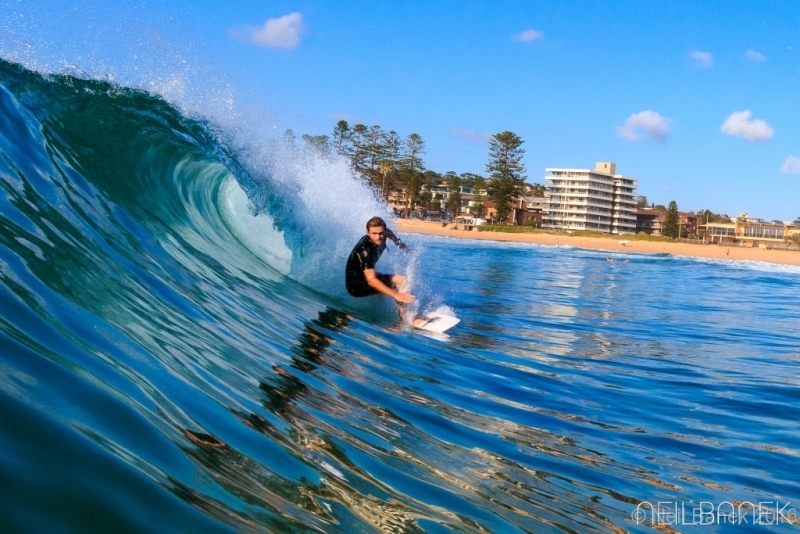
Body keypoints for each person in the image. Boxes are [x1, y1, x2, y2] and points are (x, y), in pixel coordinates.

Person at [345, 217, 414, 304]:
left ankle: (377, 307)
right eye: (374, 233)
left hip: (363, 277)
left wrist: (398, 243)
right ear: (367, 233)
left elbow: (388, 233)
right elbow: (371, 280)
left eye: (381, 233)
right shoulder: (365, 251)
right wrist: (396, 295)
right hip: (356, 287)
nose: (378, 237)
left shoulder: (384, 233)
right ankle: (405, 317)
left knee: (380, 277)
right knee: (401, 280)